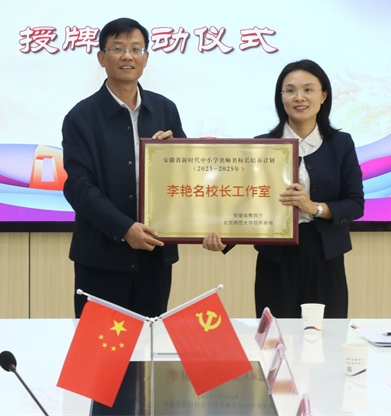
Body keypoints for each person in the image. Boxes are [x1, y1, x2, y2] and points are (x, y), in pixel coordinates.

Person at [203, 59, 364, 318]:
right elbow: (245, 201)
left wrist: (314, 207)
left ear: (323, 95)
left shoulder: (341, 143)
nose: (299, 97)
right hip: (276, 258)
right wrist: (222, 238)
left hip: (325, 257)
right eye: (290, 90)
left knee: (326, 335)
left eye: (308, 89)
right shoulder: (262, 145)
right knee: (276, 336)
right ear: (281, 97)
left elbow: (355, 204)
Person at [62, 17, 185, 318]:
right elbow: (78, 187)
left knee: (149, 343)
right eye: (117, 48)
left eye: (136, 49)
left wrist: (179, 154)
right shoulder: (81, 117)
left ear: (146, 57)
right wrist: (124, 228)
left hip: (154, 256)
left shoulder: (165, 109)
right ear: (102, 57)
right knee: (100, 345)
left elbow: (185, 175)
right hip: (101, 259)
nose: (127, 56)